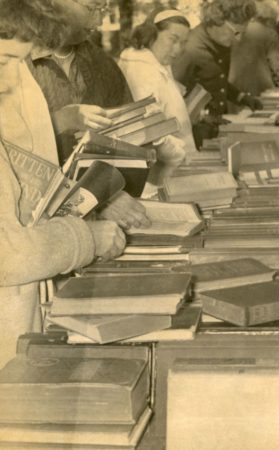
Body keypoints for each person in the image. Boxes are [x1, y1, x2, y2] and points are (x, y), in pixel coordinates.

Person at [0, 2, 125, 368]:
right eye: (4, 61)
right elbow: (6, 254)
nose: (9, 80)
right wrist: (87, 238)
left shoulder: (14, 81)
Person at [27, 0, 133, 163]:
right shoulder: (14, 58)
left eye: (103, 10)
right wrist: (61, 120)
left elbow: (128, 124)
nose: (99, 21)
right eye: (92, 8)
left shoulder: (102, 63)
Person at [172, 0, 261, 142]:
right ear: (217, 21)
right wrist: (202, 116)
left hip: (211, 132)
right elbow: (171, 98)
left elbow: (216, 80)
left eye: (242, 33)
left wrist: (241, 97)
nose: (238, 39)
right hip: (190, 135)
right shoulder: (190, 49)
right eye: (236, 32)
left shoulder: (221, 43)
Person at [118, 8, 192, 168]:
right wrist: (182, 155)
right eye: (173, 39)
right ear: (151, 34)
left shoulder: (154, 62)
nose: (178, 50)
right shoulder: (140, 69)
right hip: (162, 168)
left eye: (184, 43)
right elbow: (149, 132)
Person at [230, 0, 279, 98]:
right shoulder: (270, 34)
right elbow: (275, 63)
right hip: (260, 86)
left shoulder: (237, 30)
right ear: (270, 17)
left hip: (235, 84)